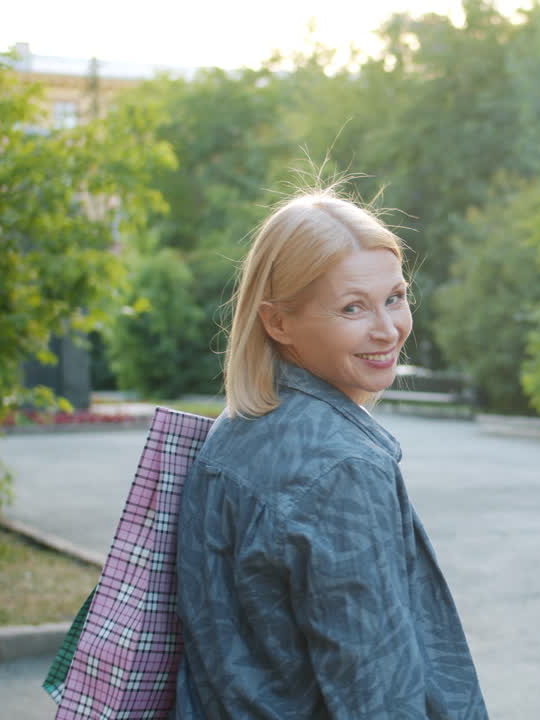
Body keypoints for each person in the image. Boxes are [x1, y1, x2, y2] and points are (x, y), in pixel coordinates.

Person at [172, 187, 488, 719]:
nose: (388, 330)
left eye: (395, 297)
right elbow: (376, 697)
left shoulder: (236, 429)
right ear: (277, 322)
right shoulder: (343, 468)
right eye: (352, 307)